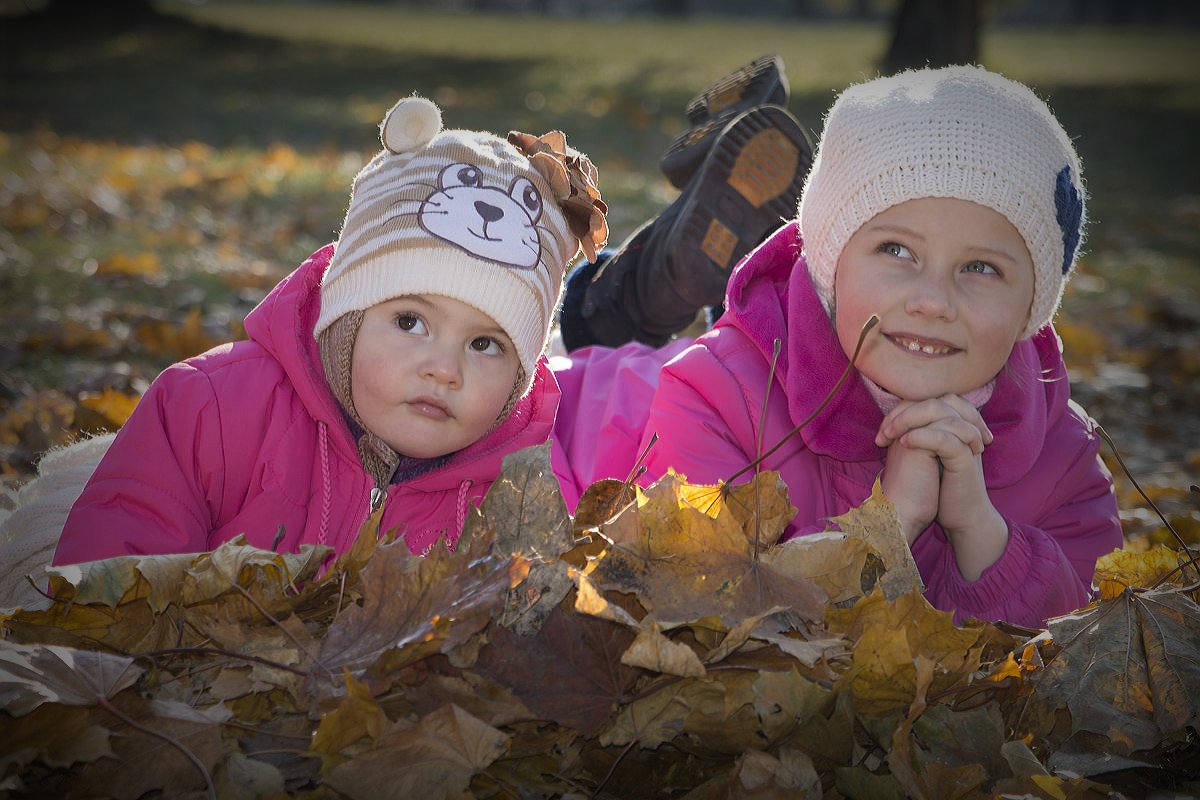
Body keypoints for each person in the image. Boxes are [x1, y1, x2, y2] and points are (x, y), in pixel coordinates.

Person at [554, 65, 1123, 629]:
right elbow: (700, 608)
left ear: (1033, 306)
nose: (933, 301)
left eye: (981, 267)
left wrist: (980, 532)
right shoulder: (717, 399)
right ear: (829, 264)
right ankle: (617, 299)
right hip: (575, 410)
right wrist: (885, 527)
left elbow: (1091, 653)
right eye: (897, 250)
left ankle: (630, 297)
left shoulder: (1062, 456)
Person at [52, 95, 607, 565]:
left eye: (484, 344)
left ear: (520, 379)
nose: (444, 368)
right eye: (410, 321)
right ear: (346, 318)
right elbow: (118, 562)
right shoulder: (214, 409)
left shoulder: (521, 493)